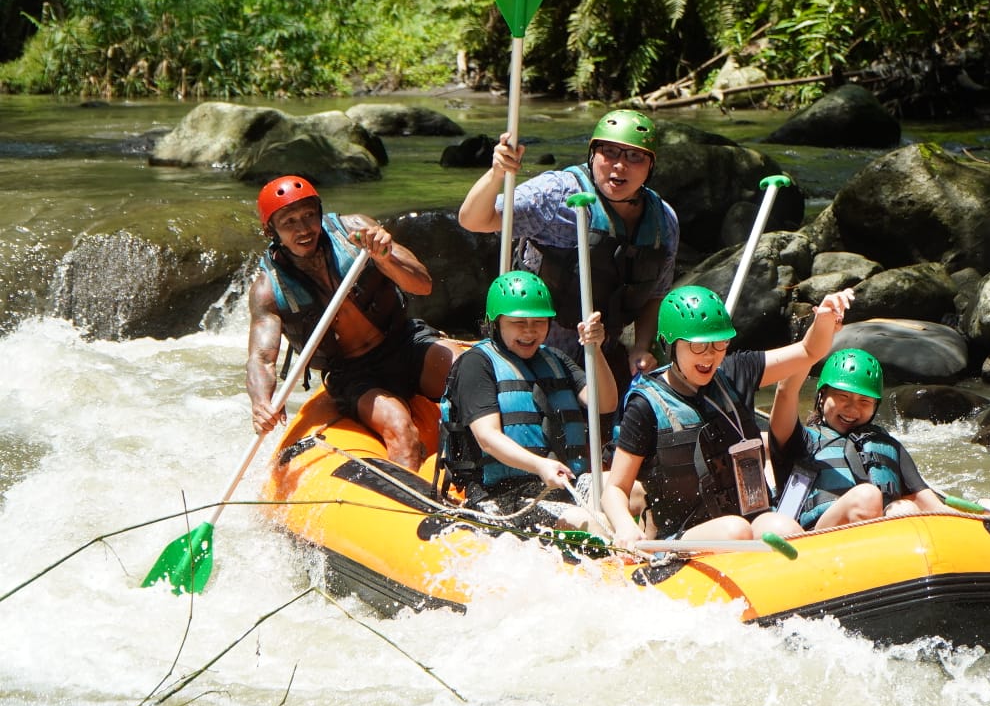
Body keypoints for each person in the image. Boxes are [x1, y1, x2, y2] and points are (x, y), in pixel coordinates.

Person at [599, 285, 854, 549]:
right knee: (735, 530)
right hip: (682, 540)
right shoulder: (644, 406)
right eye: (699, 346)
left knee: (782, 527)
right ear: (670, 344)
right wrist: (625, 526)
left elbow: (808, 352)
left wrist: (823, 320)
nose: (711, 355)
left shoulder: (734, 372)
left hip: (751, 520)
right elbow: (615, 488)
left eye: (720, 343)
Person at [247, 175, 464, 471]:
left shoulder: (358, 231)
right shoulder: (268, 289)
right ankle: (408, 510)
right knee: (399, 426)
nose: (303, 229)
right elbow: (261, 359)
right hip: (353, 373)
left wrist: (386, 260)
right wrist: (262, 401)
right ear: (270, 229)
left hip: (403, 342)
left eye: (309, 215)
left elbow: (423, 284)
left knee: (471, 372)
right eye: (289, 222)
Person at [457, 110, 678, 397]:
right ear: (592, 155)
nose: (620, 166)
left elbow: (655, 294)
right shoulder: (555, 193)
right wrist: (497, 172)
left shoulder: (663, 222)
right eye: (609, 152)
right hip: (532, 350)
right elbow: (473, 220)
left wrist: (641, 347)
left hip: (599, 353)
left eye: (635, 157)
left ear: (651, 166)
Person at [439, 270, 620, 530]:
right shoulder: (477, 364)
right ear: (495, 322)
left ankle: (660, 558)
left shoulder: (555, 359)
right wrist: (540, 466)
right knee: (596, 522)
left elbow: (605, 403)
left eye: (539, 321)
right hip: (504, 494)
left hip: (564, 482)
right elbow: (487, 438)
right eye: (518, 322)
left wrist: (596, 349)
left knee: (635, 492)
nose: (530, 331)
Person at [767, 348, 952, 530]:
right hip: (817, 537)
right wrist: (814, 345)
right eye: (843, 397)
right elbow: (785, 391)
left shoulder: (888, 446)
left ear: (875, 406)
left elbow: (931, 505)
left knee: (906, 508)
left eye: (864, 401)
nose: (852, 409)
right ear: (822, 397)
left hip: (878, 540)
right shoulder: (800, 440)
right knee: (867, 496)